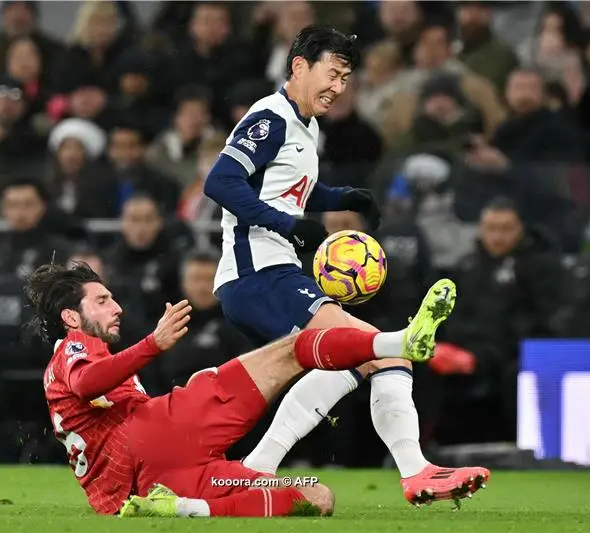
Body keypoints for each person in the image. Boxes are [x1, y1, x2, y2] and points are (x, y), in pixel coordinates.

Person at [203, 24, 489, 506]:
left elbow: (286, 187)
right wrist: (288, 226)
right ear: (299, 66)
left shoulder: (305, 126)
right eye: (332, 74)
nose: (338, 88)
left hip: (277, 274)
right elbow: (222, 181)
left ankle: (260, 467)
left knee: (374, 358)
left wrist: (341, 197)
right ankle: (410, 458)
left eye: (345, 79)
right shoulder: (268, 118)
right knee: (369, 348)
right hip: (257, 276)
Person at [27, 262, 467, 517]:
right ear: (70, 317)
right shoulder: (75, 346)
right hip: (159, 434)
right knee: (293, 348)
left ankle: (180, 509)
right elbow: (86, 384)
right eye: (102, 300)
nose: (116, 306)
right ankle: (398, 343)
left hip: (151, 483)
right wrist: (153, 344)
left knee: (312, 495)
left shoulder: (71, 360)